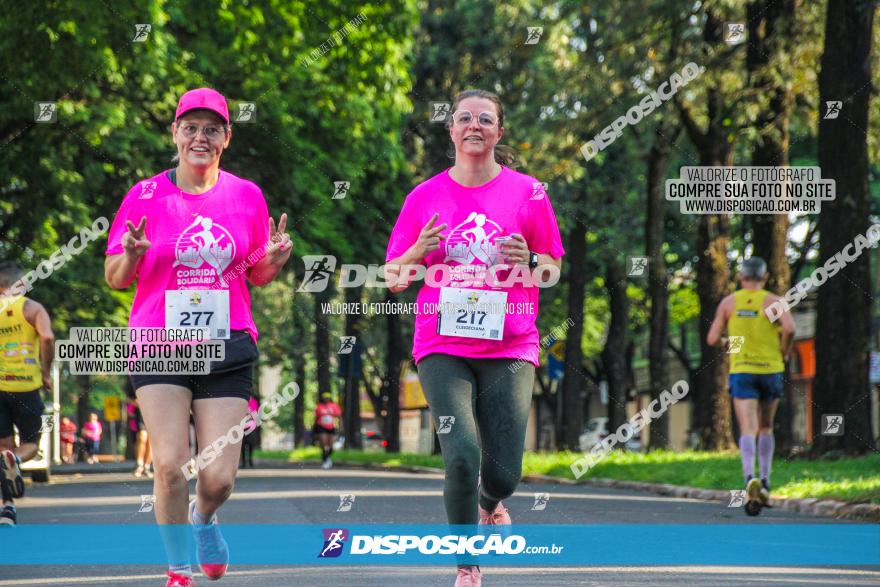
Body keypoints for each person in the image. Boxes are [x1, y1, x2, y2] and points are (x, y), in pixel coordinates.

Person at [104, 87, 292, 587]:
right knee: (169, 466)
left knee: (218, 478)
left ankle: (204, 519)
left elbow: (254, 274)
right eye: (190, 127)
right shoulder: (143, 196)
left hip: (227, 345)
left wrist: (270, 261)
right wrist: (133, 254)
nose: (200, 137)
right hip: (159, 343)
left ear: (226, 138)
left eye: (212, 129)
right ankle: (177, 569)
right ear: (175, 133)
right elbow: (115, 277)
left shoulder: (246, 195)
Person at [385, 89, 564, 586]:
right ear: (452, 130)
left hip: (510, 343)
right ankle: (467, 565)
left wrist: (530, 261)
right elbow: (394, 277)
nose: (474, 126)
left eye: (485, 119)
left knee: (504, 472)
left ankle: (493, 501)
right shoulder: (423, 197)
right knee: (461, 455)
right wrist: (416, 251)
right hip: (442, 345)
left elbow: (551, 266)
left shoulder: (529, 193)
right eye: (464, 118)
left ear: (499, 132)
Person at [708, 257, 796, 511]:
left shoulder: (729, 303)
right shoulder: (772, 302)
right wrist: (783, 351)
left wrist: (728, 342)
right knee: (766, 427)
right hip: (771, 370)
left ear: (741, 277)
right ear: (766, 277)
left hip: (742, 370)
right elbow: (790, 329)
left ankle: (749, 478)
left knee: (748, 428)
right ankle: (766, 481)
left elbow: (712, 337)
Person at [0, 261, 55, 526]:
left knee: (3, 449)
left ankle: (7, 508)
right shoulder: (33, 308)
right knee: (31, 445)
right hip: (27, 387)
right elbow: (47, 338)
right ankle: (17, 461)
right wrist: (46, 373)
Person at [313, 393, 341, 469]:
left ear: (330, 398)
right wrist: (314, 428)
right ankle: (325, 460)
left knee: (331, 445)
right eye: (325, 398)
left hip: (332, 427)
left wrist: (341, 427)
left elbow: (339, 416)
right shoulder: (319, 407)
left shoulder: (334, 406)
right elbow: (316, 418)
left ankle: (327, 457)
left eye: (328, 398)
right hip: (321, 427)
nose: (326, 399)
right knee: (324, 444)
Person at [128, 399, 153, 478]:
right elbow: (127, 398)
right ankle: (139, 465)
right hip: (141, 416)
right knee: (142, 438)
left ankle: (147, 467)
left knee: (151, 442)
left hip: (154, 415)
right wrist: (134, 402)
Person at [239, 394, 260, 469]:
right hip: (242, 427)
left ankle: (250, 461)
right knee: (242, 445)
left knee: (251, 444)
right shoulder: (241, 401)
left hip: (251, 427)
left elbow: (255, 413)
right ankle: (244, 462)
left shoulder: (254, 402)